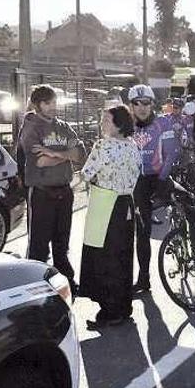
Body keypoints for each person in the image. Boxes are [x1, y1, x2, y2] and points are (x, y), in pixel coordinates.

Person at [18, 84, 85, 294]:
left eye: (54, 102)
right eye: (48, 103)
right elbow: (40, 162)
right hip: (41, 193)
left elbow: (80, 153)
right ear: (37, 105)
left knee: (62, 243)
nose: (53, 106)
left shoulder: (64, 126)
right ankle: (36, 286)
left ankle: (66, 281)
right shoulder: (31, 127)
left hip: (65, 191)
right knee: (39, 245)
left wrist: (55, 153)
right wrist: (65, 155)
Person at [79, 105, 141, 329]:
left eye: (106, 120)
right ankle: (124, 308)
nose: (102, 123)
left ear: (119, 124)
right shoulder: (133, 146)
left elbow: (87, 173)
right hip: (126, 205)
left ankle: (109, 311)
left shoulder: (103, 146)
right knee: (123, 257)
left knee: (104, 259)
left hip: (105, 206)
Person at [129, 85, 168, 293]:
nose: (142, 107)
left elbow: (172, 152)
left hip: (159, 176)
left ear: (152, 104)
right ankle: (144, 278)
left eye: (146, 103)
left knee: (187, 199)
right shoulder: (126, 126)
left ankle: (190, 242)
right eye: (137, 103)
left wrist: (163, 178)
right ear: (131, 105)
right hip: (138, 182)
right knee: (142, 232)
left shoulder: (162, 121)